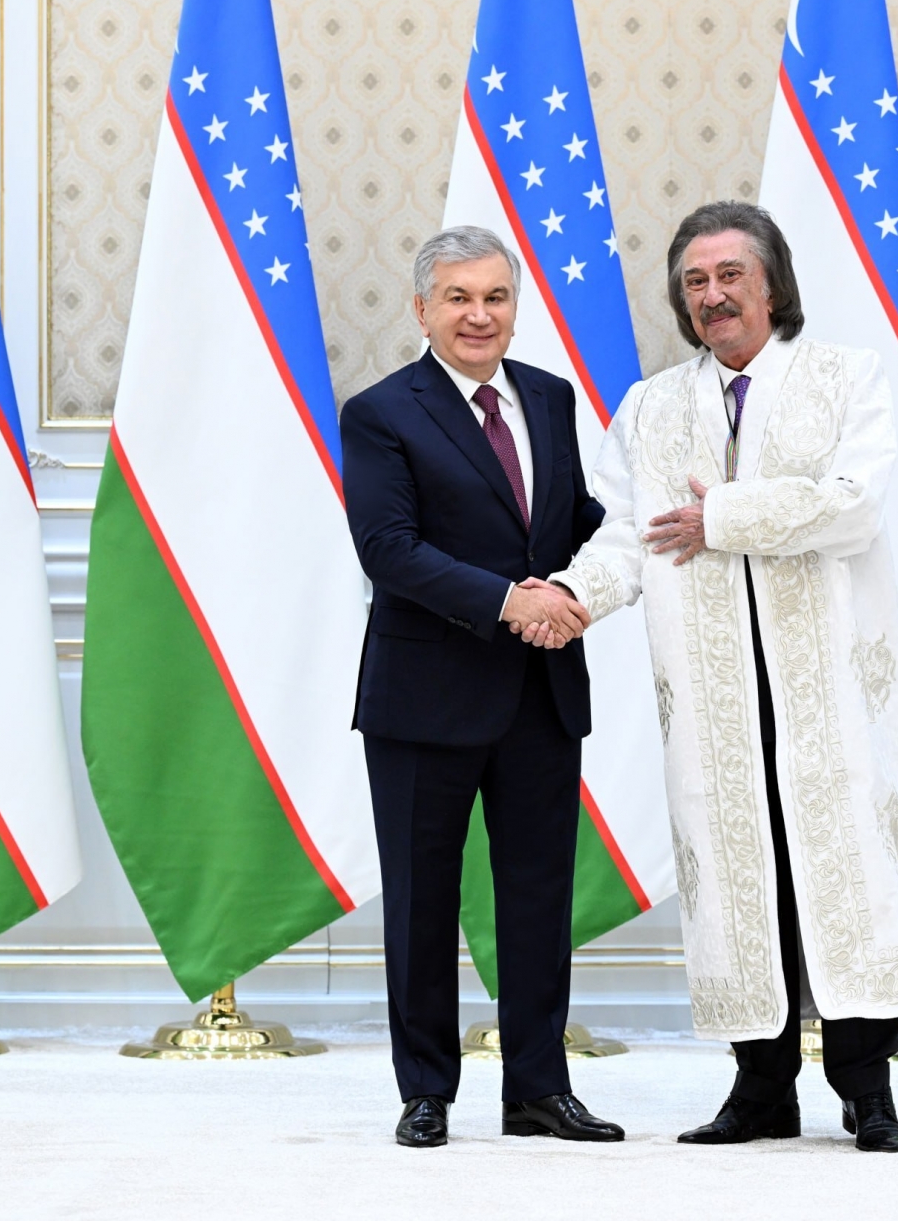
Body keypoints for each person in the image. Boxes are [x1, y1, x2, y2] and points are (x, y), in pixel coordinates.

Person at [535, 202, 898, 1152]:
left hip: (828, 688)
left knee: (843, 875)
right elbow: (628, 535)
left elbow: (853, 505)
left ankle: (867, 1089)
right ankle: (761, 1088)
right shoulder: (651, 406)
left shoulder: (845, 377)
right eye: (695, 282)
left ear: (772, 284)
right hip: (714, 690)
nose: (712, 296)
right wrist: (570, 596)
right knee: (741, 878)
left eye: (730, 276)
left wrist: (723, 517)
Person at [340, 226, 622, 1149]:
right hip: (425, 697)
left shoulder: (549, 396)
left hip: (541, 691)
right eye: (458, 298)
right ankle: (426, 1090)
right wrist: (513, 604)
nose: (478, 315)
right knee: (422, 903)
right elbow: (389, 550)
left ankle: (538, 1088)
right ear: (422, 309)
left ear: (514, 306)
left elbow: (575, 521)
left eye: (495, 297)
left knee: (538, 900)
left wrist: (592, 578)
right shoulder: (381, 412)